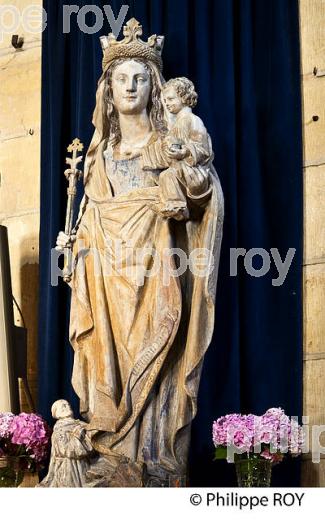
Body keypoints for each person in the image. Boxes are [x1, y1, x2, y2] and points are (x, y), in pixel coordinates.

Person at [56, 18, 224, 486]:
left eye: (141, 77)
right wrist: (74, 246)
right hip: (105, 280)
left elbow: (197, 196)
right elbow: (91, 212)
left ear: (154, 88)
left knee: (159, 368)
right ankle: (109, 451)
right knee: (104, 363)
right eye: (121, 78)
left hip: (156, 272)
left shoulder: (168, 142)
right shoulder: (97, 155)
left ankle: (151, 460)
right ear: (106, 90)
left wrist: (189, 187)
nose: (130, 86)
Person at [142, 77, 213, 221]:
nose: (167, 104)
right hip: (181, 168)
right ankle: (164, 203)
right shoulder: (177, 123)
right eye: (165, 101)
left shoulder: (192, 120)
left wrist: (185, 151)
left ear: (184, 97)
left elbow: (204, 149)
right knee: (156, 170)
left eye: (170, 99)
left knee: (166, 176)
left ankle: (178, 208)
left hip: (194, 173)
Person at [38, 400, 94, 487]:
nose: (67, 406)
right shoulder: (59, 431)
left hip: (84, 465)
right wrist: (77, 435)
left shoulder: (81, 424)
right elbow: (67, 451)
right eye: (63, 406)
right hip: (70, 469)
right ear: (57, 413)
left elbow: (92, 443)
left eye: (68, 404)